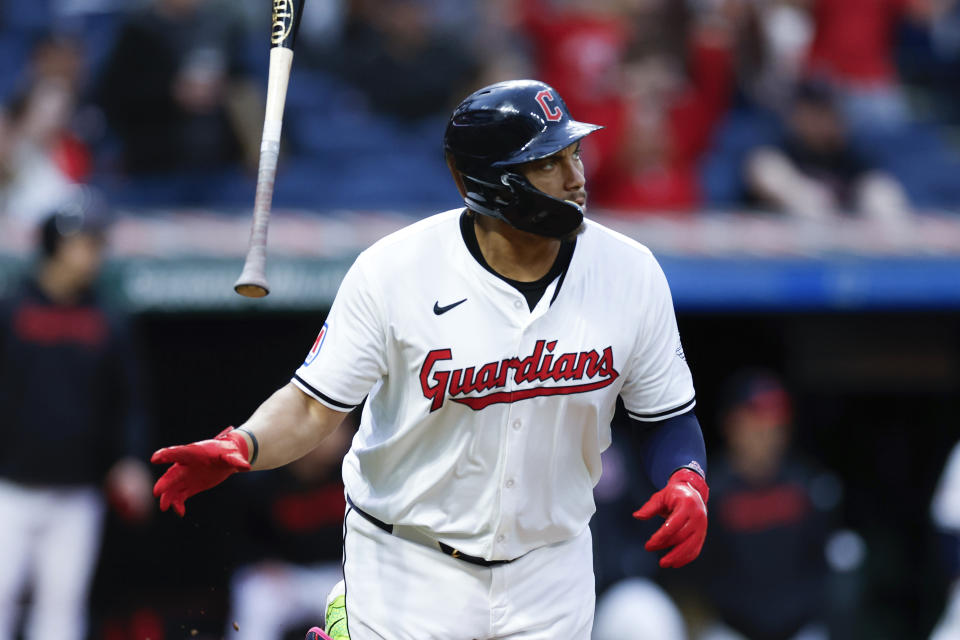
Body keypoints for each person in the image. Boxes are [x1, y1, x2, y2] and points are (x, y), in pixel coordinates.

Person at [152, 79, 709, 639]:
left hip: (552, 568)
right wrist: (244, 442)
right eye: (547, 163)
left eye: (574, 154)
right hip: (409, 564)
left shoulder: (631, 273)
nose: (576, 178)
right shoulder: (395, 271)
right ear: (489, 181)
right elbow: (311, 408)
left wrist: (686, 477)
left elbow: (668, 416)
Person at [0, 190, 153, 640]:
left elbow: (130, 399)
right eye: (84, 243)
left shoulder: (108, 316)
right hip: (11, 486)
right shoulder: (12, 309)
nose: (93, 255)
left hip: (78, 491)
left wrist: (129, 459)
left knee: (62, 609)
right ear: (56, 245)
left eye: (97, 244)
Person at [693, 370, 842, 640]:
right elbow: (695, 576)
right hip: (730, 629)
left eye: (775, 425)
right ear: (731, 424)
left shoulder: (807, 487)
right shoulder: (706, 492)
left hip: (799, 630)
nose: (766, 435)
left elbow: (823, 568)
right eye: (755, 422)